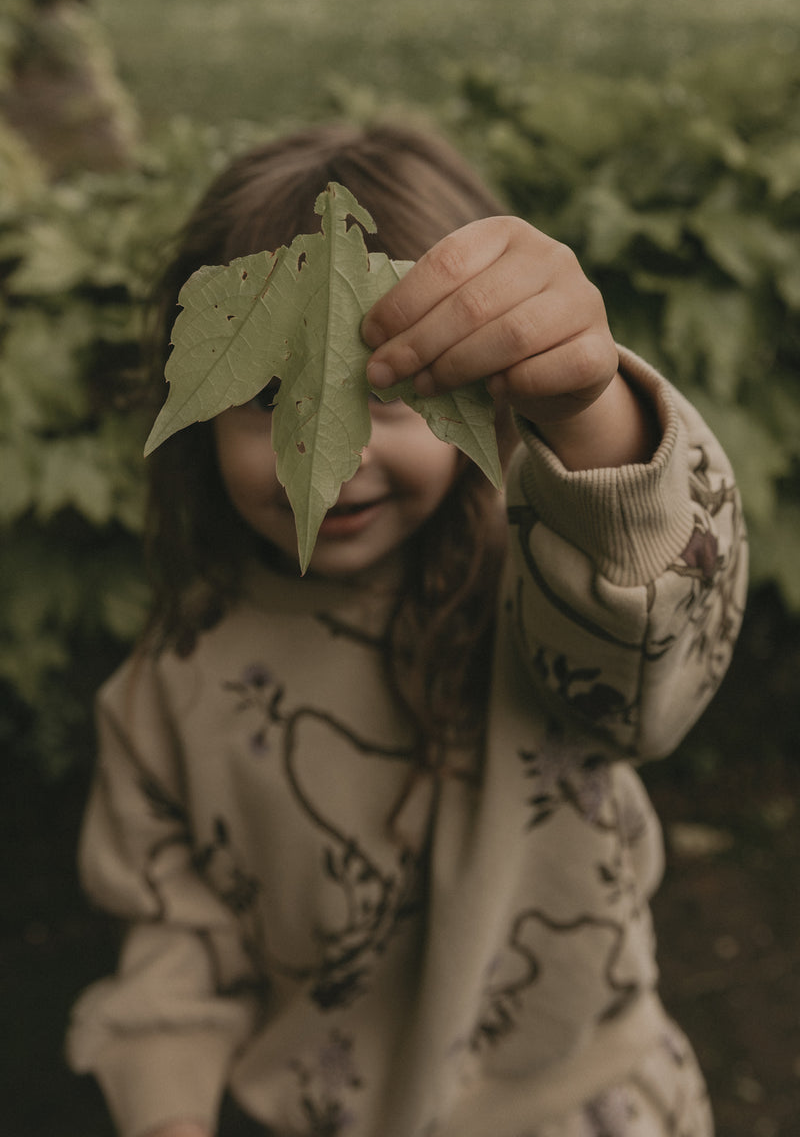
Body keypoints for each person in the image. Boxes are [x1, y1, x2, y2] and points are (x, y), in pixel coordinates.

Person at [67, 121, 747, 1137]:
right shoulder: (170, 686)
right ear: (193, 407)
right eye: (266, 396)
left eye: (387, 397)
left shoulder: (544, 584)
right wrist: (168, 1109)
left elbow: (655, 637)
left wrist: (589, 412)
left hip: (571, 1108)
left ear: (490, 400)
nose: (334, 457)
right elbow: (175, 944)